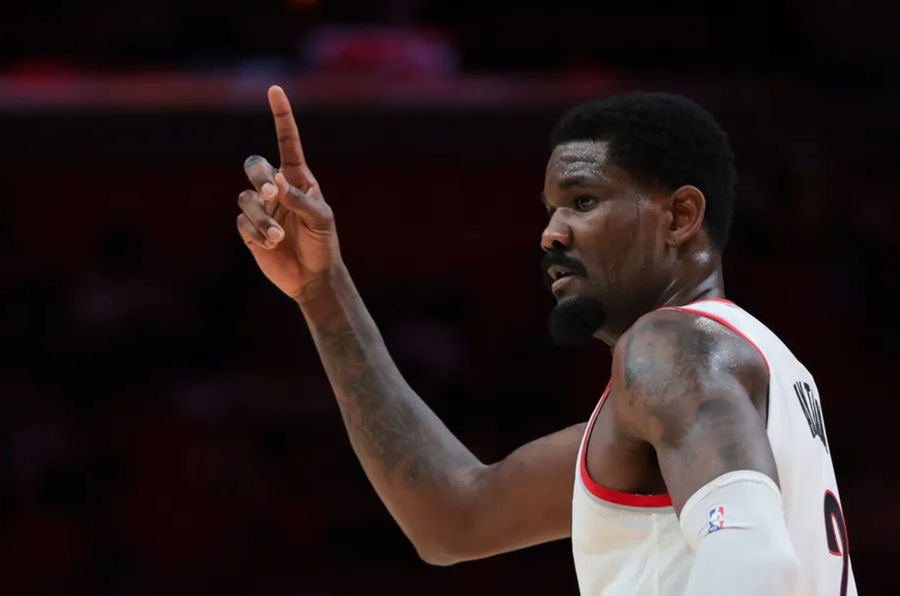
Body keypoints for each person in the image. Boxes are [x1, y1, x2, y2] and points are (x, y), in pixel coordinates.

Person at [235, 85, 857, 595]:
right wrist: (322, 290)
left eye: (583, 200)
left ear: (678, 217)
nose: (550, 234)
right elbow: (456, 515)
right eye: (550, 210)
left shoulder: (670, 349)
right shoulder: (741, 369)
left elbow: (756, 565)